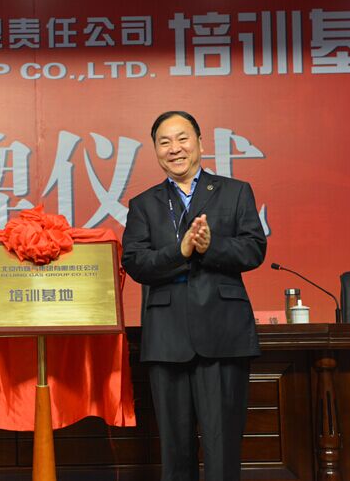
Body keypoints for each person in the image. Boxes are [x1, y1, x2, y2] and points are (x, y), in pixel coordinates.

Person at [121, 111, 267, 481]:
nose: (174, 148)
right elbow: (135, 262)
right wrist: (180, 251)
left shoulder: (235, 191)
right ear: (156, 150)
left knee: (222, 447)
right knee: (175, 450)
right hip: (167, 338)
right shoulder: (143, 204)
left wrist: (210, 246)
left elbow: (254, 250)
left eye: (182, 139)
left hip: (223, 334)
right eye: (164, 142)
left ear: (200, 143)